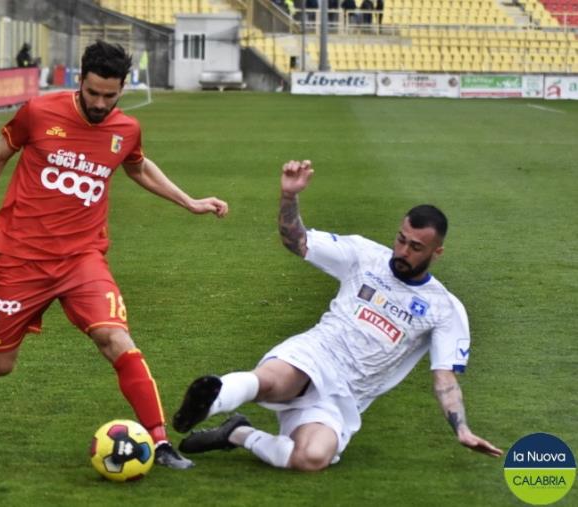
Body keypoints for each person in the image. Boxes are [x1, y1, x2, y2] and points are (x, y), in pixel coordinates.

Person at [0, 41, 228, 470]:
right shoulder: (38, 112)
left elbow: (138, 167)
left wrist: (189, 201)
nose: (99, 103)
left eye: (109, 96)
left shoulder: (126, 129)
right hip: (21, 258)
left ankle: (161, 441)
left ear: (122, 88)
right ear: (81, 79)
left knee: (116, 339)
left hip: (82, 260)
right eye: (93, 93)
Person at [171, 160, 503, 471]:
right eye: (401, 240)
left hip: (346, 394)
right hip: (315, 353)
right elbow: (296, 241)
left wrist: (461, 428)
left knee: (311, 459)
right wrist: (289, 195)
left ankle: (238, 433)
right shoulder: (364, 255)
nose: (403, 251)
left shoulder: (444, 307)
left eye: (416, 247)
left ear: (436, 252)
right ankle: (208, 401)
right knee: (273, 381)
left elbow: (445, 377)